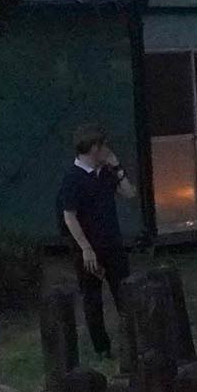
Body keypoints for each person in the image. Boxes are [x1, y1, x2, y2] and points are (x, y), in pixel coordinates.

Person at [55, 125, 134, 356]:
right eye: (103, 147)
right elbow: (69, 216)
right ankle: (102, 347)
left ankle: (132, 339)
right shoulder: (73, 178)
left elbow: (129, 193)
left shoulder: (105, 173)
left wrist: (117, 167)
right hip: (88, 247)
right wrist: (86, 248)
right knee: (92, 298)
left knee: (124, 292)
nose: (107, 151)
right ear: (93, 149)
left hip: (112, 243)